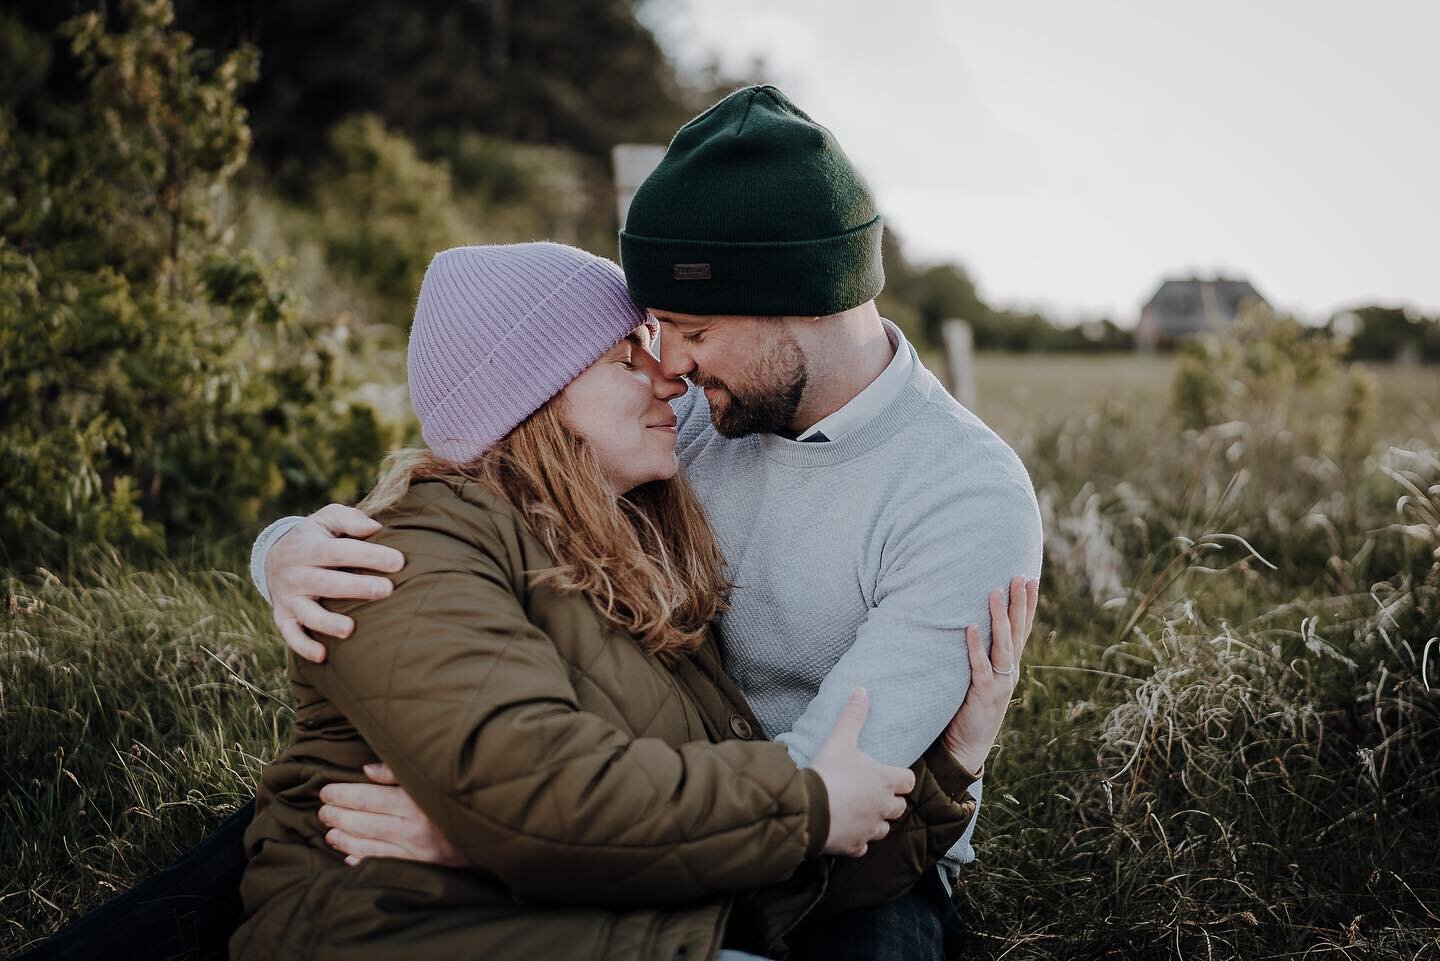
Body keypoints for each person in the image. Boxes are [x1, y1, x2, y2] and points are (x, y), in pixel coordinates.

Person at [250, 85, 1045, 959]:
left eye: (687, 327)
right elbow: (489, 444)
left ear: (799, 299)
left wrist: (506, 848)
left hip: (824, 848)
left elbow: (835, 792)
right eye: (645, 337)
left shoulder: (964, 497)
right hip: (640, 807)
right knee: (263, 838)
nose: (671, 365)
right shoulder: (697, 416)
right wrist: (285, 545)